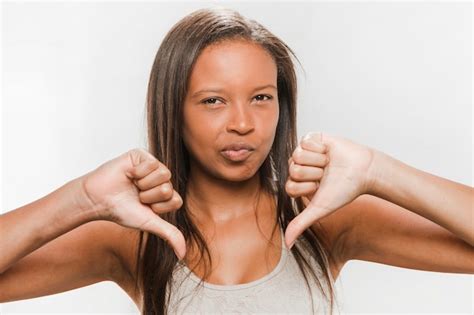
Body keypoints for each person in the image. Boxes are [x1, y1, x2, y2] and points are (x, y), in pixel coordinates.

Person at [1, 6, 473, 315]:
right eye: (213, 101)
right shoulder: (135, 237)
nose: (243, 123)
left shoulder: (320, 220)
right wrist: (79, 200)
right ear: (173, 109)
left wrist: (378, 171)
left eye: (262, 97)